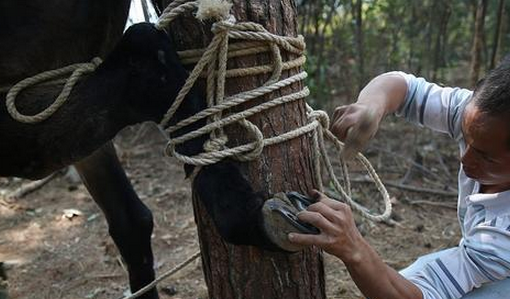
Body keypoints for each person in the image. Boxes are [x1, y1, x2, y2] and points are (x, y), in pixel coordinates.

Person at [288, 57, 510, 299]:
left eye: (486, 158)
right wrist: (372, 106)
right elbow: (405, 88)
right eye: (465, 139)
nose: (464, 159)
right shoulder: (482, 119)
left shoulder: (502, 235)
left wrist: (354, 248)